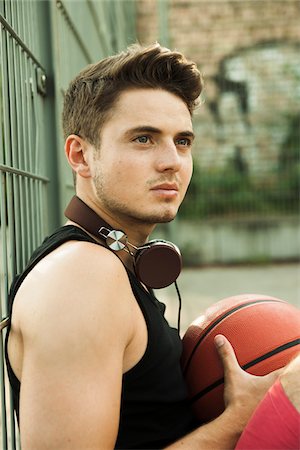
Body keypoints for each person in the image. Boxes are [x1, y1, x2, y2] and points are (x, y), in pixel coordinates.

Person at [4, 43, 285, 449]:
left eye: (183, 141)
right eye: (143, 139)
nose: (172, 161)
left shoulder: (114, 264)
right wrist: (237, 423)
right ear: (80, 156)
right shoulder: (79, 278)